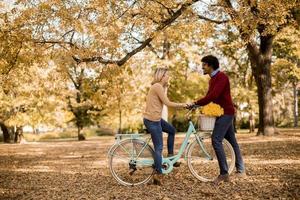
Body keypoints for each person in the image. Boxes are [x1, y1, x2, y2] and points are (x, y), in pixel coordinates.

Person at [188, 55, 245, 184]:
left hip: (226, 113)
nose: (202, 67)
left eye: (204, 65)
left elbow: (213, 95)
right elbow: (209, 96)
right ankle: (241, 170)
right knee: (231, 141)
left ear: (210, 65)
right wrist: (196, 104)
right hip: (221, 113)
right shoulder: (212, 79)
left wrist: (196, 102)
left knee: (216, 139)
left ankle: (224, 173)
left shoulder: (222, 77)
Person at [143, 68, 186, 185]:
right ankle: (158, 174)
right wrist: (184, 105)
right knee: (159, 147)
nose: (168, 77)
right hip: (152, 120)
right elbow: (168, 103)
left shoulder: (160, 87)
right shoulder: (157, 86)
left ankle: (171, 156)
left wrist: (166, 87)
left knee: (171, 131)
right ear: (161, 76)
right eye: (167, 75)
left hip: (156, 119)